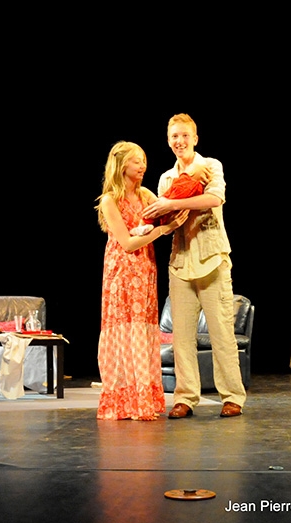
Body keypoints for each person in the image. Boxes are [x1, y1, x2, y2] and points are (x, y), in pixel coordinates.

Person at [141, 113, 247, 419]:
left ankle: (232, 396)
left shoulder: (210, 165)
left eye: (185, 135)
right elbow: (166, 221)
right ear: (168, 140)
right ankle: (186, 397)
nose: (179, 141)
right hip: (181, 261)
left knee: (222, 334)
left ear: (195, 138)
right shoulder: (165, 178)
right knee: (182, 337)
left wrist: (172, 204)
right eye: (174, 136)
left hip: (213, 259)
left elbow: (215, 198)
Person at [95, 141, 188, 421]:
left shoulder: (146, 195)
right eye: (137, 161)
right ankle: (124, 401)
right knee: (124, 330)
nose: (143, 166)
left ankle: (143, 398)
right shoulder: (110, 199)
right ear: (123, 165)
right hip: (121, 273)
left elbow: (169, 203)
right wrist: (165, 229)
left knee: (143, 330)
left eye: (144, 160)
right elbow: (126, 243)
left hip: (145, 270)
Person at [129, 163, 208, 236]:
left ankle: (142, 227)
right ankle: (141, 227)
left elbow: (211, 200)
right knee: (154, 214)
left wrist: (171, 224)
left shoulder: (192, 183)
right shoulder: (185, 180)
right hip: (167, 206)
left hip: (172, 210)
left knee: (156, 216)